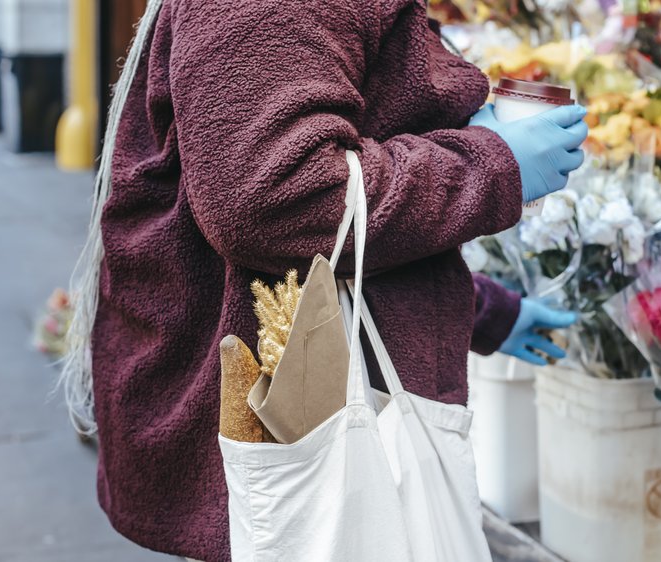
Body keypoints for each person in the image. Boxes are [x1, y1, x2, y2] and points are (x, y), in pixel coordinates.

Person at [61, 0, 588, 560]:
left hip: (300, 391)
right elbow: (274, 200)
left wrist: (484, 312)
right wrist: (488, 163)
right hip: (286, 418)